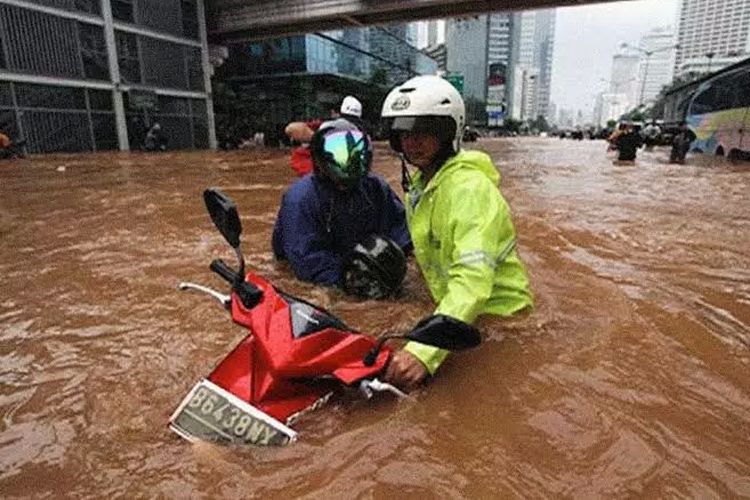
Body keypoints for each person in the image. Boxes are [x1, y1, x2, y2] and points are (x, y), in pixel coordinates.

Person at [379, 75, 533, 390]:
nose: (412, 141)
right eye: (404, 132)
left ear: (448, 133)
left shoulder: (469, 190)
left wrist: (423, 352)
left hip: (497, 321)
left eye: (425, 131)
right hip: (456, 313)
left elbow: (472, 282)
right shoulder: (422, 187)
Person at [272, 118, 412, 292]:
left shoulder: (375, 187)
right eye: (339, 154)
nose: (348, 164)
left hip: (362, 262)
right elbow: (306, 260)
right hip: (325, 271)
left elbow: (402, 232)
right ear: (320, 159)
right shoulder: (300, 199)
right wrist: (348, 280)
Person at [285, 96, 364, 176]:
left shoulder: (360, 138)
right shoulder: (324, 127)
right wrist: (319, 139)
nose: (348, 125)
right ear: (336, 115)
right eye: (345, 120)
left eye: (353, 121)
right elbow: (291, 128)